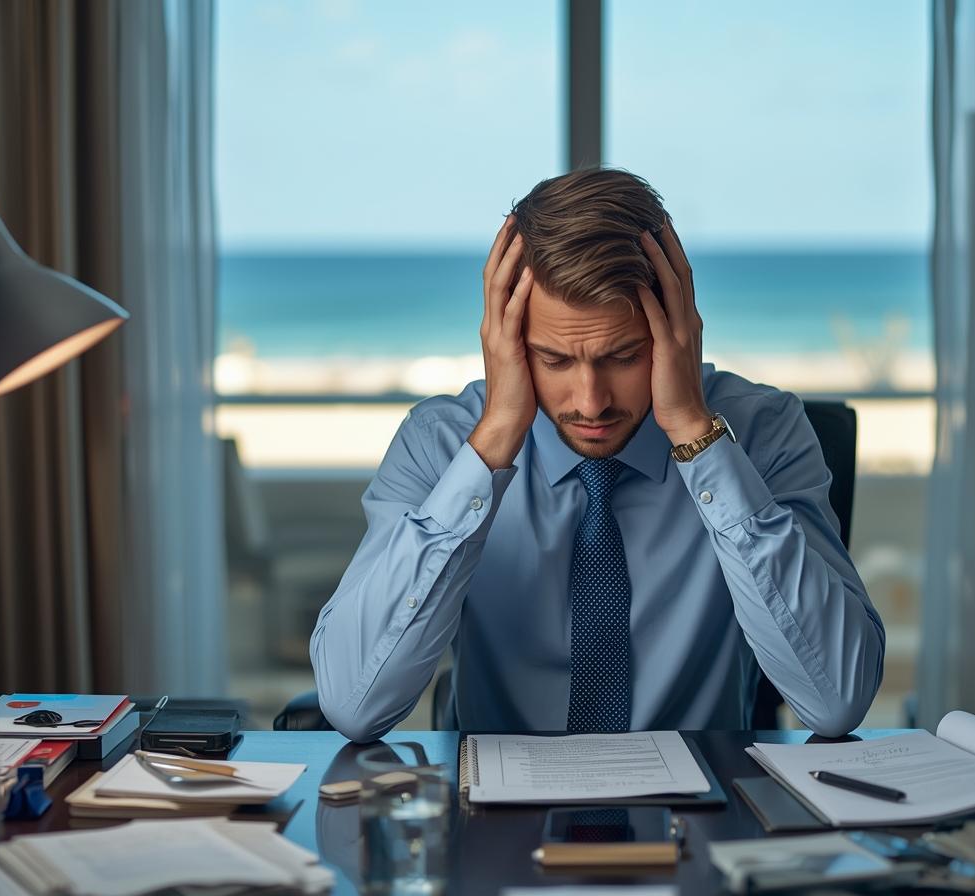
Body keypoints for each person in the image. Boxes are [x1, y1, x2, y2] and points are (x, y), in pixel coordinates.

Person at [311, 168, 884, 742]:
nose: (591, 401)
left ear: (677, 331)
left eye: (625, 356)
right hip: (493, 823)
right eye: (554, 360)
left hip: (703, 814)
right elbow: (354, 706)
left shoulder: (763, 432)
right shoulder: (441, 444)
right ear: (504, 342)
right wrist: (491, 448)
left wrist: (694, 433)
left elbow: (836, 701)